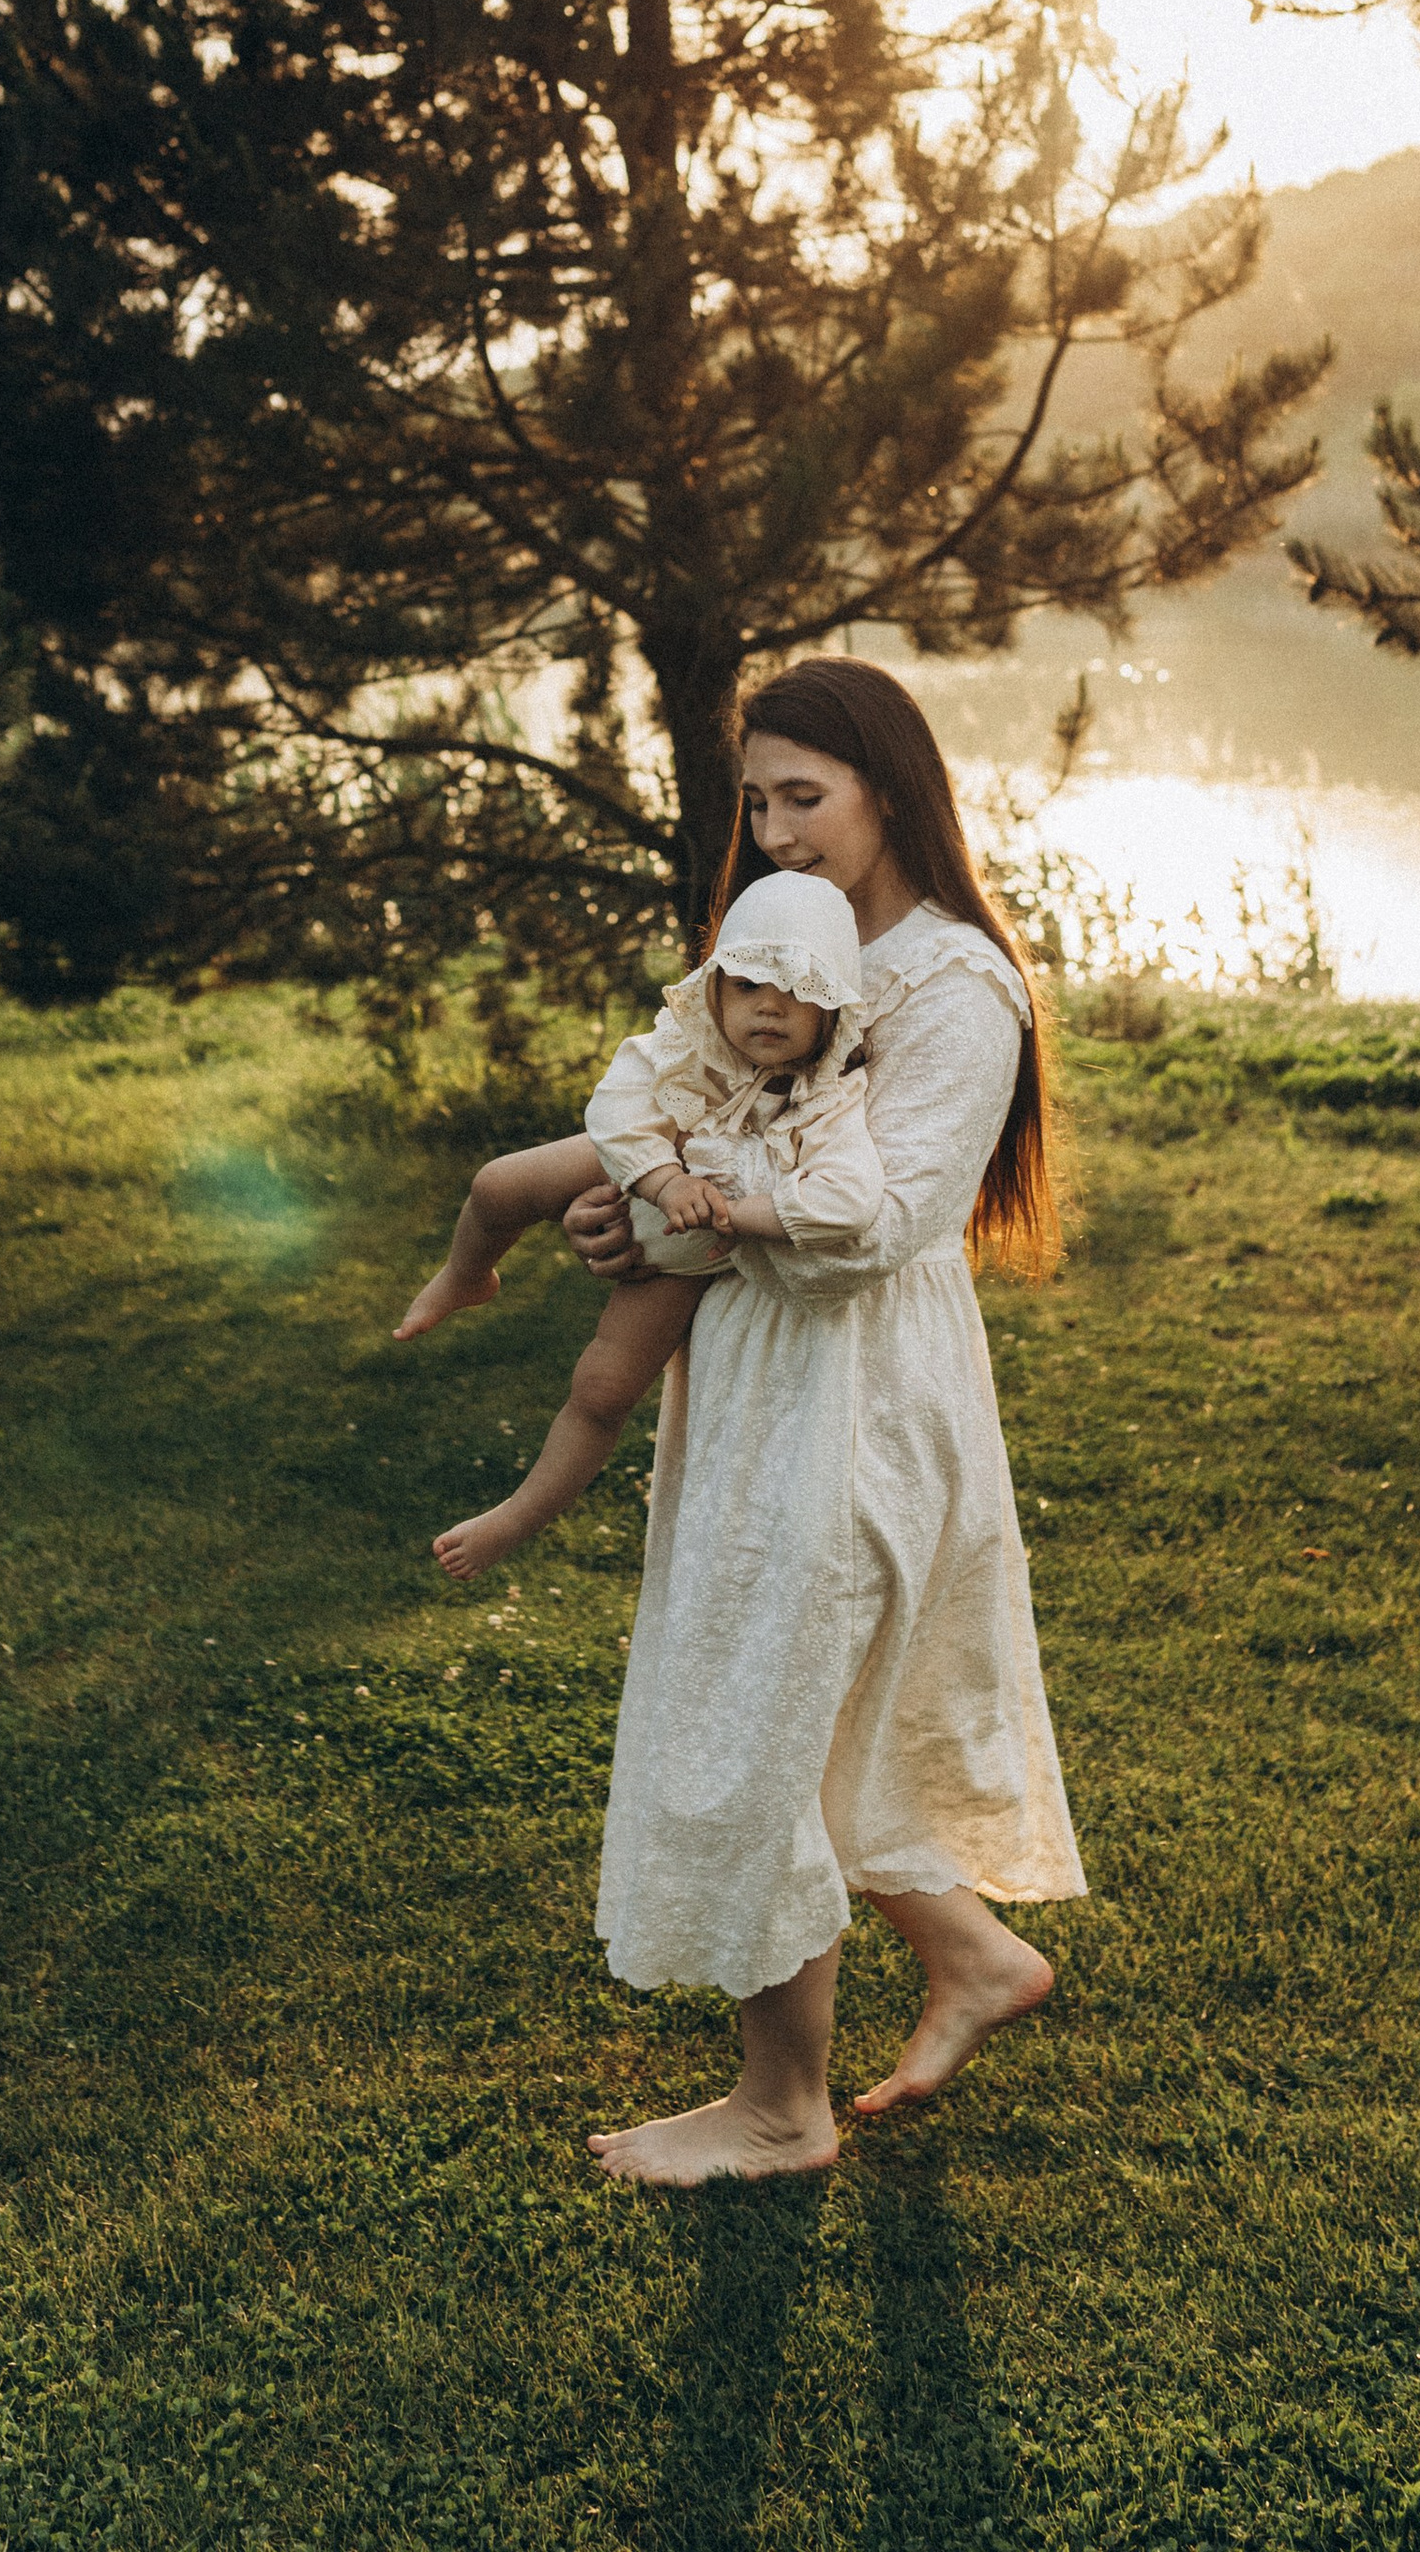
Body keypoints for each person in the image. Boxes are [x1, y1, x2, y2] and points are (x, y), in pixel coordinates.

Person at [572, 657, 1085, 2188]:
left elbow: (885, 1221)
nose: (780, 831)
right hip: (758, 1379)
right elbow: (686, 1124)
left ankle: (781, 2110)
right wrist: (631, 1207)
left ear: (889, 787)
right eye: (759, 800)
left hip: (858, 1395)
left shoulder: (954, 981)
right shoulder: (787, 954)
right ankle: (975, 1960)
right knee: (798, 1716)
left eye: (809, 796)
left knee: (764, 1722)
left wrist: (695, 1212)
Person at [393, 870, 885, 1582]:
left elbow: (852, 1199)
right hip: (636, 1165)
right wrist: (662, 1179)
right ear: (714, 986)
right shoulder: (683, 1044)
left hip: (688, 1255)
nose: (770, 1008)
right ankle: (467, 1274)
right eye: (748, 984)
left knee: (602, 1389)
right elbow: (618, 1109)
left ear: (834, 1007)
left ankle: (518, 1514)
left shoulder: (829, 1101)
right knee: (498, 1182)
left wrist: (737, 1215)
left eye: (799, 991)